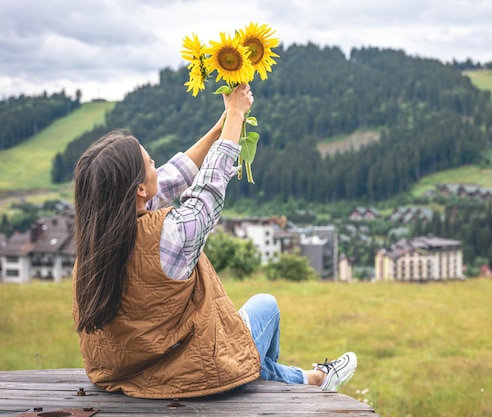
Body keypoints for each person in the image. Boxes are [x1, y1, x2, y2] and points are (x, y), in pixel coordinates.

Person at [72, 84, 357, 399]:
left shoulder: (97, 240)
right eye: (151, 163)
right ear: (139, 189)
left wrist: (223, 126)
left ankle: (309, 377)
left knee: (242, 335)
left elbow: (175, 176)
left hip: (119, 372)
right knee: (267, 306)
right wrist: (236, 115)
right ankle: (306, 379)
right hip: (189, 373)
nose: (157, 166)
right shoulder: (171, 235)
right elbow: (208, 190)